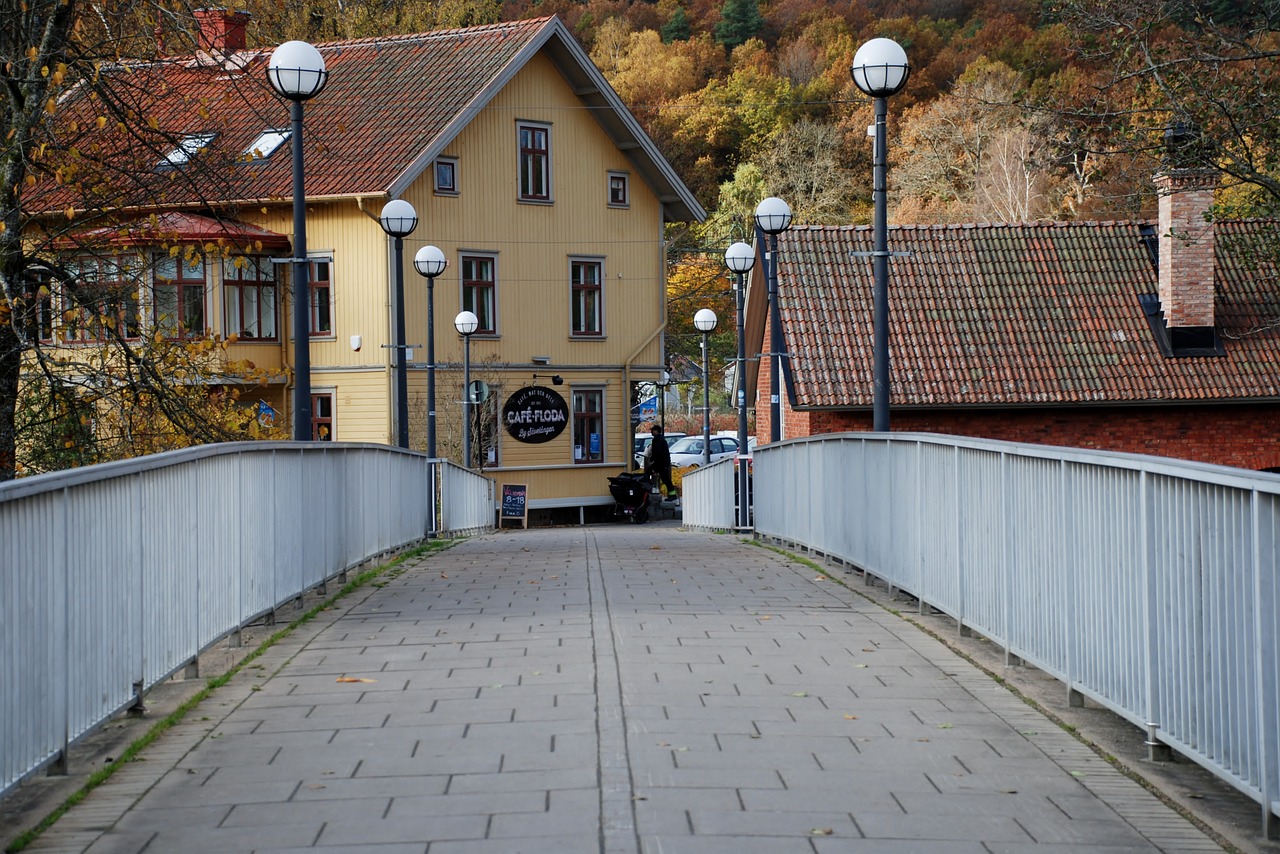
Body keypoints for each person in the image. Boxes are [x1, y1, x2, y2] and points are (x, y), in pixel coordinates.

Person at [646, 424, 677, 498]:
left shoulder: (658, 439)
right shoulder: (659, 439)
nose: (651, 432)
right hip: (661, 463)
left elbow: (657, 451)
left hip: (661, 463)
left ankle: (672, 494)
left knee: (665, 479)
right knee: (664, 478)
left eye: (652, 431)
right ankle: (670, 494)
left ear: (656, 431)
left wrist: (652, 458)